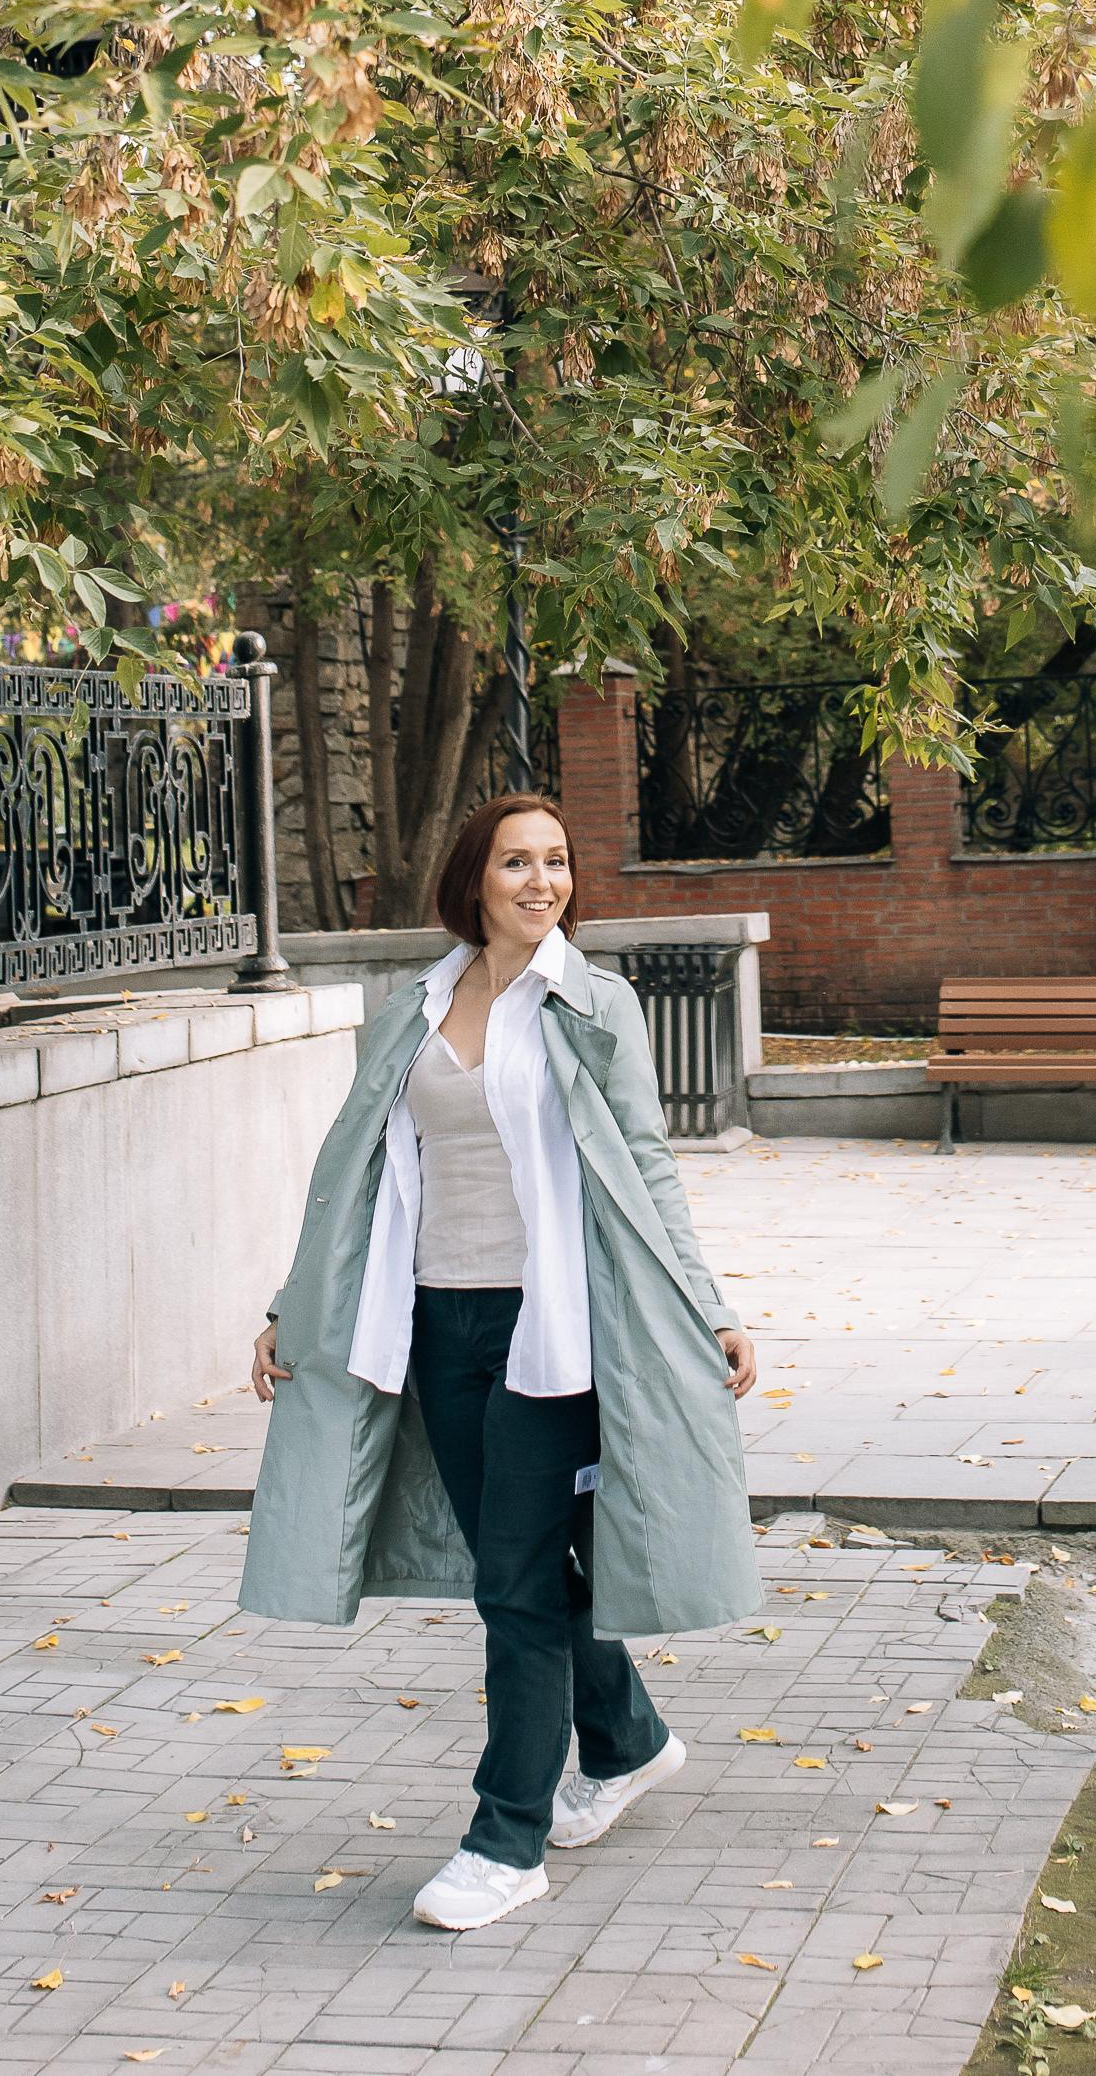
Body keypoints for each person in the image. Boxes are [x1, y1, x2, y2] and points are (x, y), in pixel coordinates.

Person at [240, 793, 761, 1932]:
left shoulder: (591, 1004)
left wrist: (708, 1304)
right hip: (436, 1327)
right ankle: (625, 1739)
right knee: (516, 1566)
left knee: (514, 1588)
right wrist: (292, 1304)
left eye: (558, 861)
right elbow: (352, 1174)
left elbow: (647, 1166)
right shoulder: (413, 1006)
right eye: (518, 861)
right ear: (473, 876)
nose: (542, 881)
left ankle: (504, 1839)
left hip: (552, 1332)